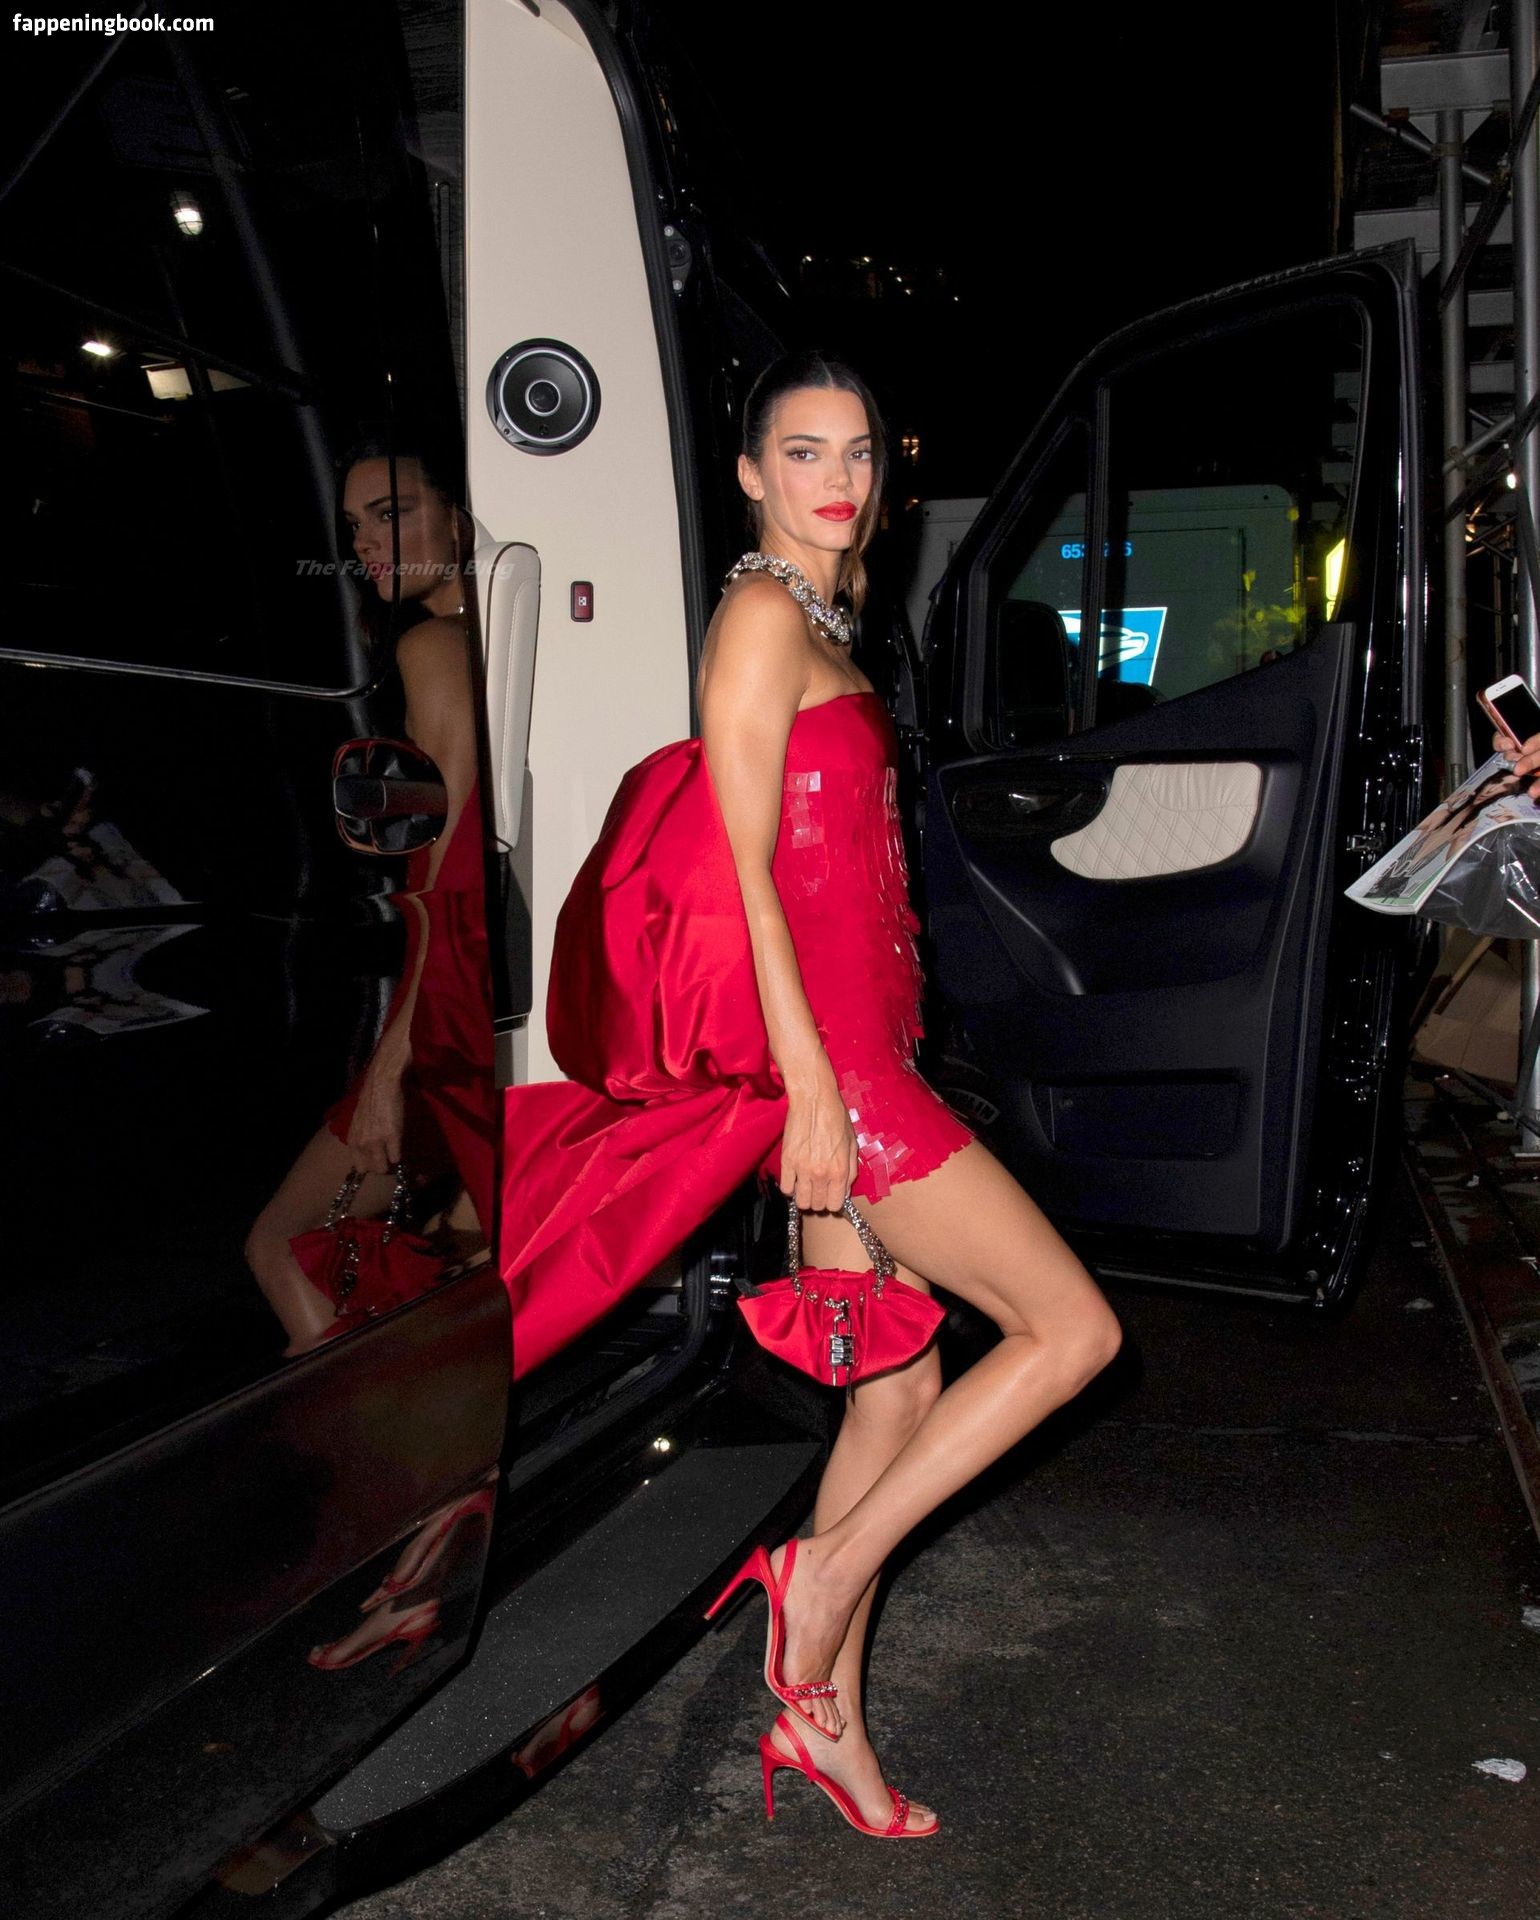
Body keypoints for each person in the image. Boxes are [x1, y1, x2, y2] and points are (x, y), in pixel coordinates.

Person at [506, 352, 1123, 1841]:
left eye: (856, 453)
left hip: (864, 1059)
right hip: (844, 1077)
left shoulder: (827, 622)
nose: (836, 481)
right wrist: (812, 1090)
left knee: (895, 1386)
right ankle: (821, 1576)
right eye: (802, 451)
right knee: (1073, 1333)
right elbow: (744, 876)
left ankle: (823, 1717)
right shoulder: (763, 617)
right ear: (748, 474)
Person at [245, 435, 491, 1357]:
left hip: (450, 995)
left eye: (392, 514)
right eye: (355, 526)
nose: (366, 544)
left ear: (461, 518)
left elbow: (453, 862)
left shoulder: (433, 645)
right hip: (478, 985)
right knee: (461, 1251)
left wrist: (393, 1060)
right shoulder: (490, 640)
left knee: (284, 1247)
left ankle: (373, 1435)